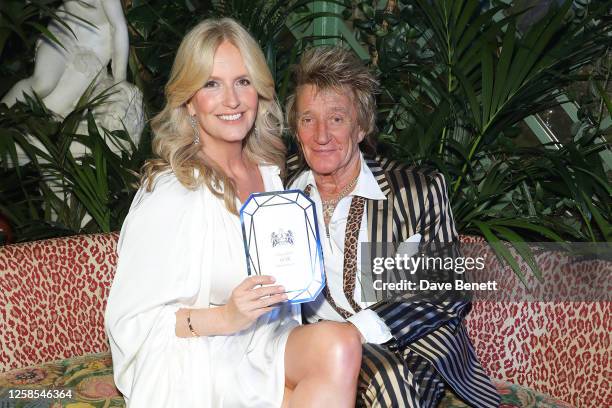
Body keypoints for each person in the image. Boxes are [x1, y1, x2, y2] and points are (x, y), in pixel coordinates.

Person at [105, 19, 362, 408]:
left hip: (267, 341)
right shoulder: (173, 192)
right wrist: (226, 317)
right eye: (212, 84)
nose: (232, 100)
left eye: (243, 81)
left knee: (342, 343)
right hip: (202, 354)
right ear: (189, 101)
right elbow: (132, 323)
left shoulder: (272, 177)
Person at [286, 46, 501, 408]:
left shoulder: (415, 192)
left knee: (390, 378)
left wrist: (352, 333)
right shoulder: (278, 191)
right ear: (296, 129)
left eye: (336, 118)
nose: (321, 135)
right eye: (308, 119)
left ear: (362, 126)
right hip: (310, 347)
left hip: (410, 343)